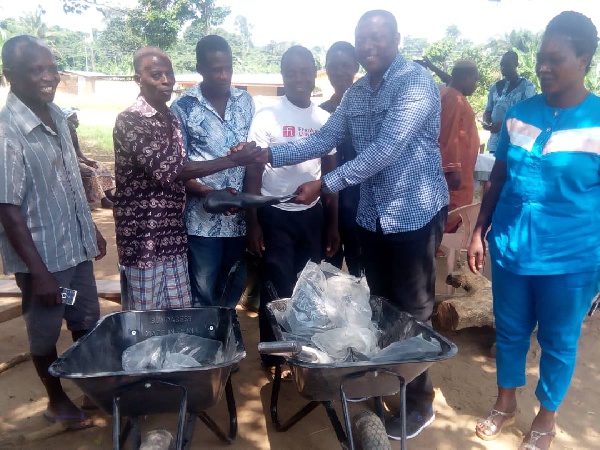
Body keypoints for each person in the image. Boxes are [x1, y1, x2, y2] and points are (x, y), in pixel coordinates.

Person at [235, 10, 448, 439]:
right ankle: (388, 381)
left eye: (377, 39)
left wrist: (325, 183)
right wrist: (267, 156)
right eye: (361, 40)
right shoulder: (356, 95)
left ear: (396, 39)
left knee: (413, 307)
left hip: (412, 212)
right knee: (382, 305)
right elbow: (322, 138)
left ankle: (418, 401)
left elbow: (387, 149)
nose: (368, 47)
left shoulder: (416, 83)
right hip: (373, 215)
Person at [468, 11, 599, 450]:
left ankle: (546, 417)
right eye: (540, 58)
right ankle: (505, 403)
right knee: (510, 331)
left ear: (584, 60)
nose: (543, 67)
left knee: (559, 341)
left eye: (555, 59)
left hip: (572, 258)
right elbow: (498, 178)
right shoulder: (519, 113)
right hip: (510, 249)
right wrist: (478, 230)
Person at [0, 35, 107, 429]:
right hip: (43, 262)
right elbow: (7, 211)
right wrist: (39, 272)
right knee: (45, 331)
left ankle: (91, 387)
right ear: (10, 75)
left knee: (84, 320)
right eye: (36, 70)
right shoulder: (7, 133)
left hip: (75, 252)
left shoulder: (57, 115)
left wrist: (91, 228)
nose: (48, 77)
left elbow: (70, 181)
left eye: (51, 68)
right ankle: (57, 400)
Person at [113, 47, 262, 311]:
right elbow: (172, 170)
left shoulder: (170, 117)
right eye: (156, 74)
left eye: (168, 74)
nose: (166, 80)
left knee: (189, 307)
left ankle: (216, 343)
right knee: (148, 314)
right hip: (146, 235)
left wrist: (221, 196)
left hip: (176, 233)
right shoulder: (135, 119)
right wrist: (231, 163)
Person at [243, 45, 339, 370]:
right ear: (284, 76)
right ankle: (273, 356)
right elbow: (253, 172)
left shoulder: (325, 120)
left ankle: (304, 352)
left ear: (314, 75)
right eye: (291, 72)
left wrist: (332, 224)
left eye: (304, 71)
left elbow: (331, 175)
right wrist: (253, 223)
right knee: (275, 285)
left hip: (312, 217)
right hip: (274, 215)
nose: (298, 78)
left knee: (308, 286)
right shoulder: (267, 116)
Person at [171, 35, 255, 309]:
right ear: (200, 69)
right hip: (202, 222)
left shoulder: (246, 101)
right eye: (215, 69)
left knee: (233, 286)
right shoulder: (183, 108)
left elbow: (253, 154)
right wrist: (212, 194)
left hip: (240, 219)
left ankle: (226, 341)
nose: (223, 75)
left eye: (228, 68)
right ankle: (207, 346)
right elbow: (178, 168)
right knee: (204, 291)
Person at [320, 41, 362, 277]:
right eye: (334, 66)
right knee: (327, 276)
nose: (340, 72)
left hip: (361, 209)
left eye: (346, 65)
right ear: (326, 69)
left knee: (363, 277)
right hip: (327, 207)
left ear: (356, 66)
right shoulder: (319, 112)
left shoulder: (368, 110)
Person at [438, 60, 480, 232]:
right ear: (466, 77)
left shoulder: (453, 96)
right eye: (475, 80)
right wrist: (452, 168)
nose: (476, 85)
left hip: (461, 173)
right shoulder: (452, 98)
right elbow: (448, 134)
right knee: (450, 217)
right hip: (454, 178)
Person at [482, 50, 536, 154]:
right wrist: (487, 121)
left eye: (507, 65)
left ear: (516, 64)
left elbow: (528, 115)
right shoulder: (495, 87)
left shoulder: (527, 86)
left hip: (516, 144)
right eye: (501, 65)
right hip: (495, 144)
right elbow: (488, 110)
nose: (503, 68)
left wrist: (503, 125)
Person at [63, 108, 116, 209]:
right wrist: (82, 164)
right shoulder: (63, 136)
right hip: (69, 162)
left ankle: (108, 194)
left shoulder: (73, 133)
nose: (77, 120)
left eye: (76, 118)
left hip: (78, 160)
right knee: (90, 172)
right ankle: (103, 199)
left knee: (99, 165)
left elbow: (79, 152)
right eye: (73, 118)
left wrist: (88, 161)